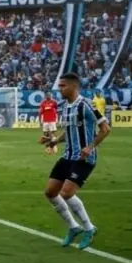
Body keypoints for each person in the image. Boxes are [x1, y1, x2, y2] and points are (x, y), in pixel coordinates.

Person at [41, 72, 110, 249]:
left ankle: (89, 228)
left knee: (66, 193)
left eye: (63, 86)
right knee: (50, 192)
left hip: (83, 158)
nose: (59, 89)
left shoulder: (86, 104)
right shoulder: (65, 106)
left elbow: (105, 128)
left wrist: (90, 146)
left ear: (73, 86)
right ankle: (73, 227)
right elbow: (70, 130)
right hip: (67, 156)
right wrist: (55, 140)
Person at [39, 90, 60, 155]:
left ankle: (54, 147)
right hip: (45, 121)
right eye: (47, 95)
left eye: (49, 95)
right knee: (45, 135)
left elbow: (56, 110)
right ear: (45, 96)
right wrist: (40, 121)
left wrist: (56, 119)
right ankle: (48, 147)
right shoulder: (43, 103)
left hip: (52, 120)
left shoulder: (54, 102)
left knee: (52, 134)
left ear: (51, 96)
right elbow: (41, 112)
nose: (48, 96)